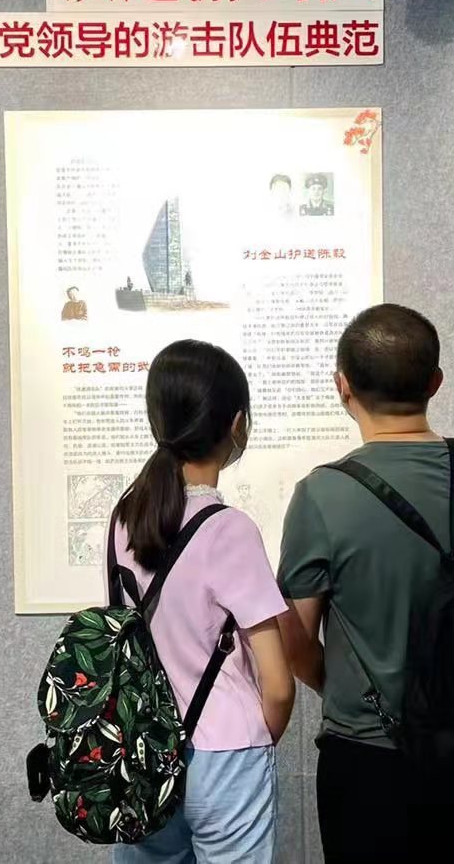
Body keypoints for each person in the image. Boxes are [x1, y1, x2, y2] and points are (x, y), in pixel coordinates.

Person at [277, 304, 454, 863]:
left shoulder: (322, 495)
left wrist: (338, 684)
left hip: (369, 759)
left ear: (342, 386)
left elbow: (296, 640)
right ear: (435, 382)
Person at [111, 340, 294, 864]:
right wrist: (256, 738)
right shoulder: (229, 529)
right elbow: (278, 683)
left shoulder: (124, 519)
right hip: (226, 752)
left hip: (143, 751)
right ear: (237, 425)